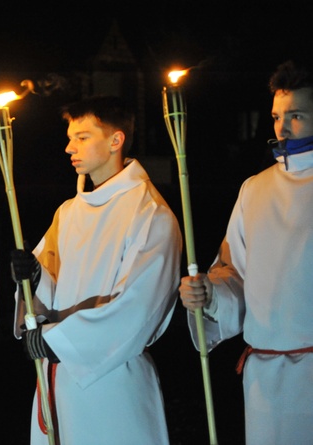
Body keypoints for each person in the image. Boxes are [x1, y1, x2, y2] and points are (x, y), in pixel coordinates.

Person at [11, 96, 182, 444]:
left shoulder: (150, 214)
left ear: (115, 140)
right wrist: (33, 277)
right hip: (58, 379)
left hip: (113, 380)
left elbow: (139, 308)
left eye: (83, 137)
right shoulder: (68, 212)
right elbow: (52, 290)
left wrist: (61, 342)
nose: (68, 147)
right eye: (70, 137)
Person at [178, 58, 313, 445]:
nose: (282, 128)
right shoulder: (254, 189)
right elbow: (233, 272)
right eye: (276, 116)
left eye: (297, 115)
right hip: (264, 381)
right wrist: (209, 292)